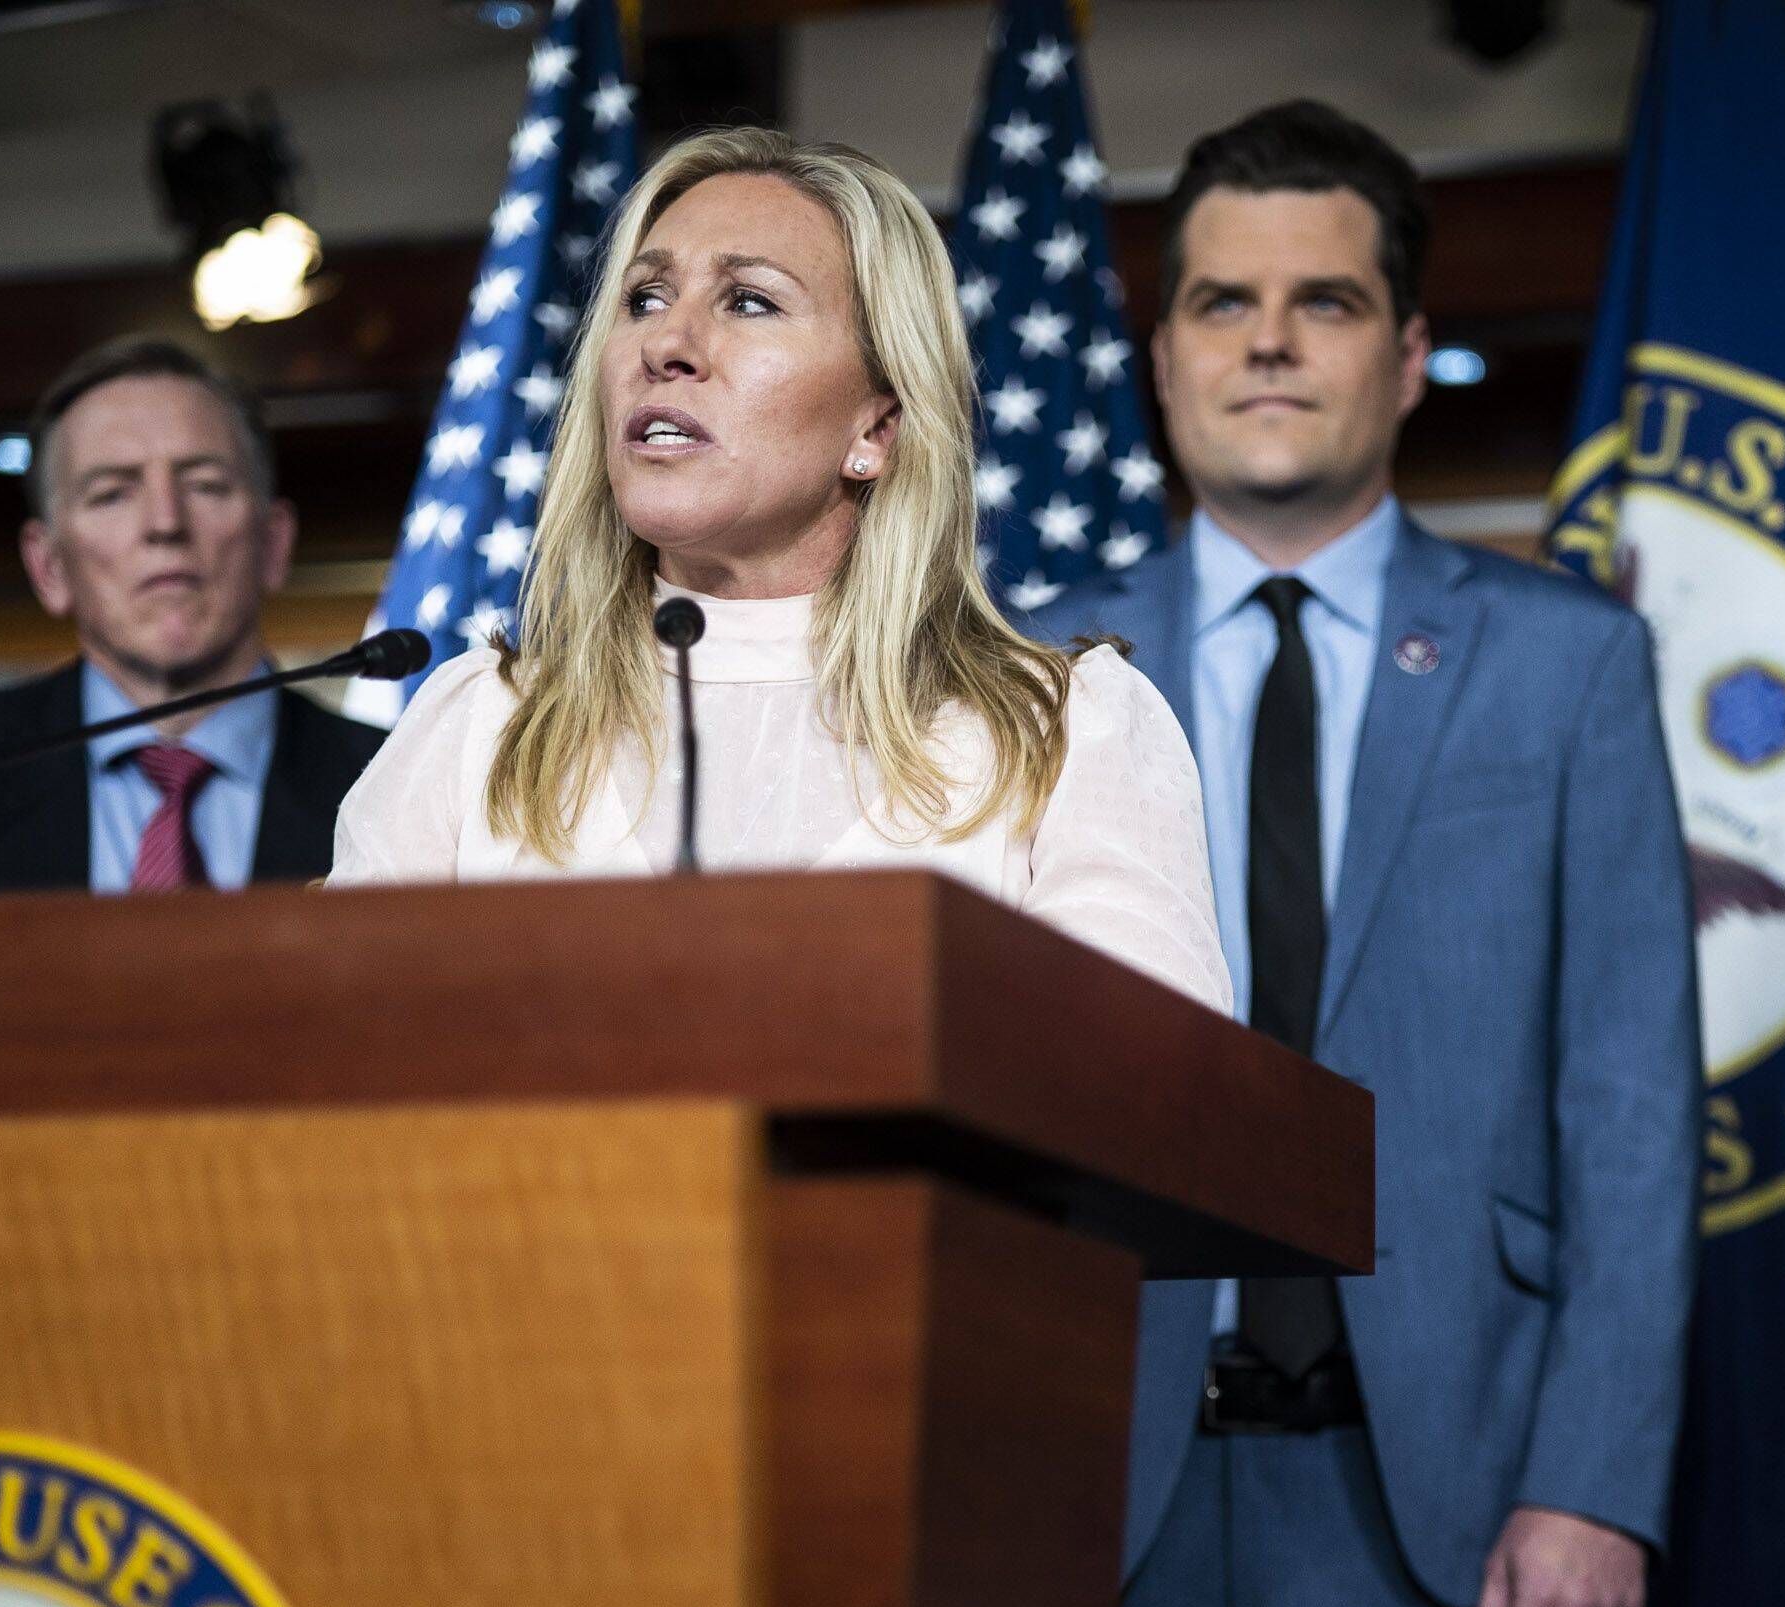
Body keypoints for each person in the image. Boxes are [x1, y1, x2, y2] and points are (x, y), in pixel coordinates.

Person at [1046, 102, 1698, 1607]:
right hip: (1088, 1522)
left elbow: (1629, 1105)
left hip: (1438, 1536)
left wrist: (1592, 1493)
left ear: (1410, 354)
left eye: (1323, 301)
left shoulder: (1562, 664)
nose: (1266, 343)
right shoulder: (1019, 669)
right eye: (1221, 300)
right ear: (1158, 353)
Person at [325, 129, 1229, 1013]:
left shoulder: (1060, 737)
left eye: (748, 301)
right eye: (643, 298)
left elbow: (1151, 1109)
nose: (665, 344)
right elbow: (315, 1092)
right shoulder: (478, 727)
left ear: (877, 428)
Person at [0, 336, 380, 896]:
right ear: (50, 566)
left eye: (205, 485)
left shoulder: (398, 780)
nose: (164, 523)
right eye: (111, 493)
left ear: (274, 545)